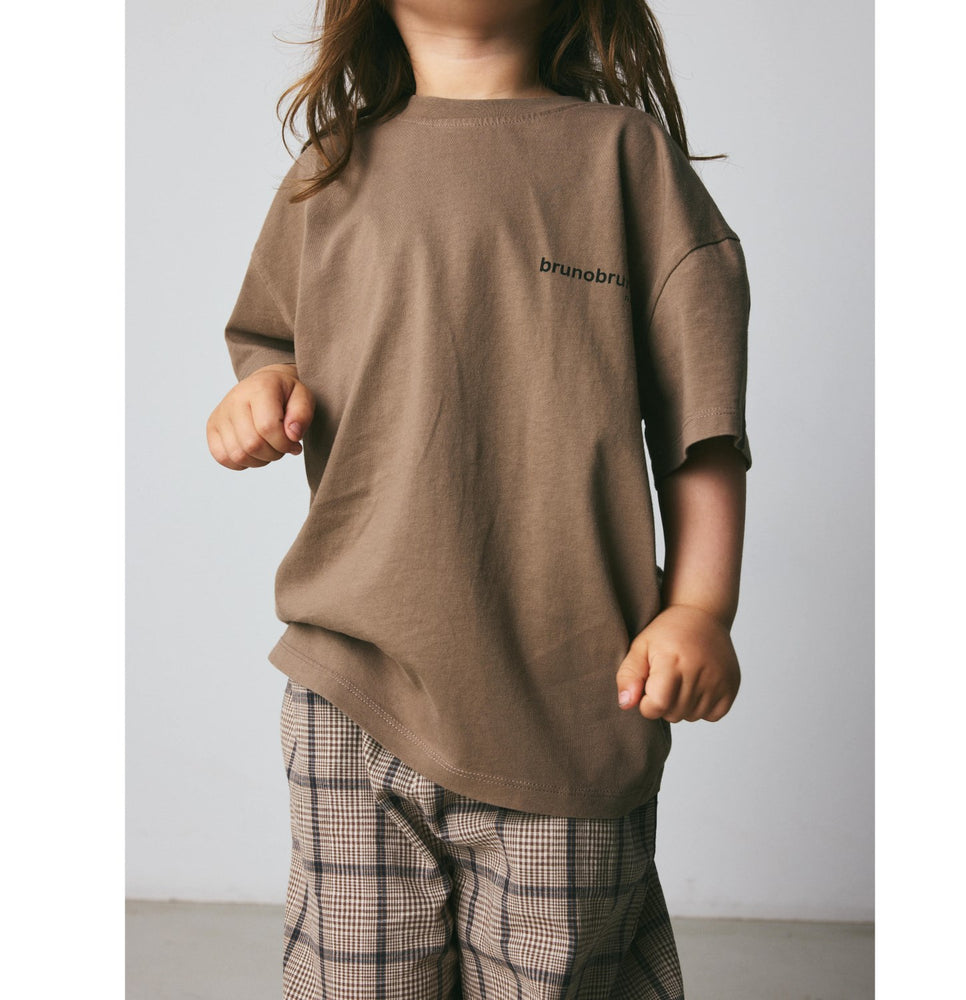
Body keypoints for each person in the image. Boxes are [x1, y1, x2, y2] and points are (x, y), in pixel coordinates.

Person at [205, 0, 751, 996]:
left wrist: (701, 607)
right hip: (351, 682)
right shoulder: (330, 169)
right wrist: (261, 391)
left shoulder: (623, 158)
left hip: (573, 699)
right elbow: (273, 337)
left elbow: (701, 418)